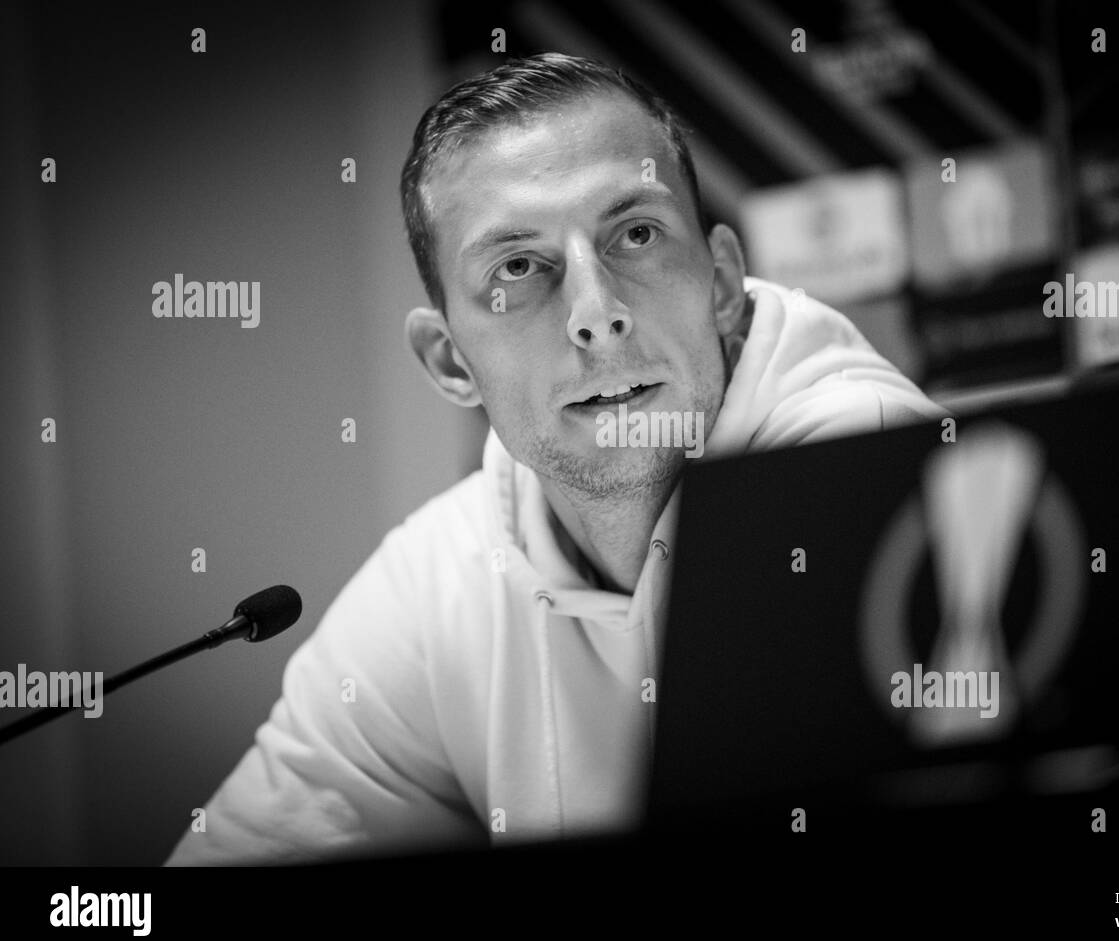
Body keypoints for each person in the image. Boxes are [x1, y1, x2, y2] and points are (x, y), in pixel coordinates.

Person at [165, 52, 946, 865]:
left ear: (721, 282)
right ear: (450, 362)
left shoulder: (859, 475)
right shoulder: (440, 580)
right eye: (518, 267)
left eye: (635, 234)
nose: (596, 314)